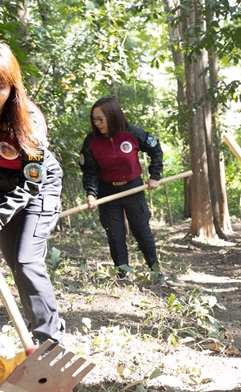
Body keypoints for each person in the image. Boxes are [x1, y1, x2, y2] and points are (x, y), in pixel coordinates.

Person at [0, 42, 65, 345]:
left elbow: (31, 182)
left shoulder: (29, 120)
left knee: (27, 261)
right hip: (2, 184)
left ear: (12, 86)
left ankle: (51, 340)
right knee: (14, 263)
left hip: (37, 187)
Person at [79, 97, 164, 280]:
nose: (97, 123)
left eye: (101, 119)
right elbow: (89, 171)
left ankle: (155, 272)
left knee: (142, 231)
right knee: (115, 236)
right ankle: (122, 275)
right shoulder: (91, 141)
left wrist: (155, 176)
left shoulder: (133, 134)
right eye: (94, 119)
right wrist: (91, 193)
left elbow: (155, 149)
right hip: (107, 193)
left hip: (133, 189)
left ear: (113, 116)